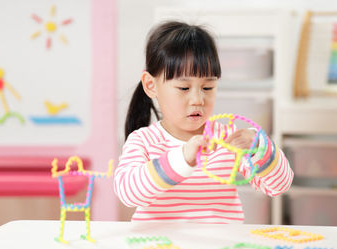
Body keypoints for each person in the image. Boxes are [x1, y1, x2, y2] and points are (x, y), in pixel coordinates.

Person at [114, 21, 293, 223]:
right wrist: (183, 159)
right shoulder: (143, 140)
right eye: (183, 88)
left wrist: (260, 148)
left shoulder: (226, 139)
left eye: (208, 88)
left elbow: (279, 185)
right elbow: (128, 193)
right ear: (151, 85)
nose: (198, 99)